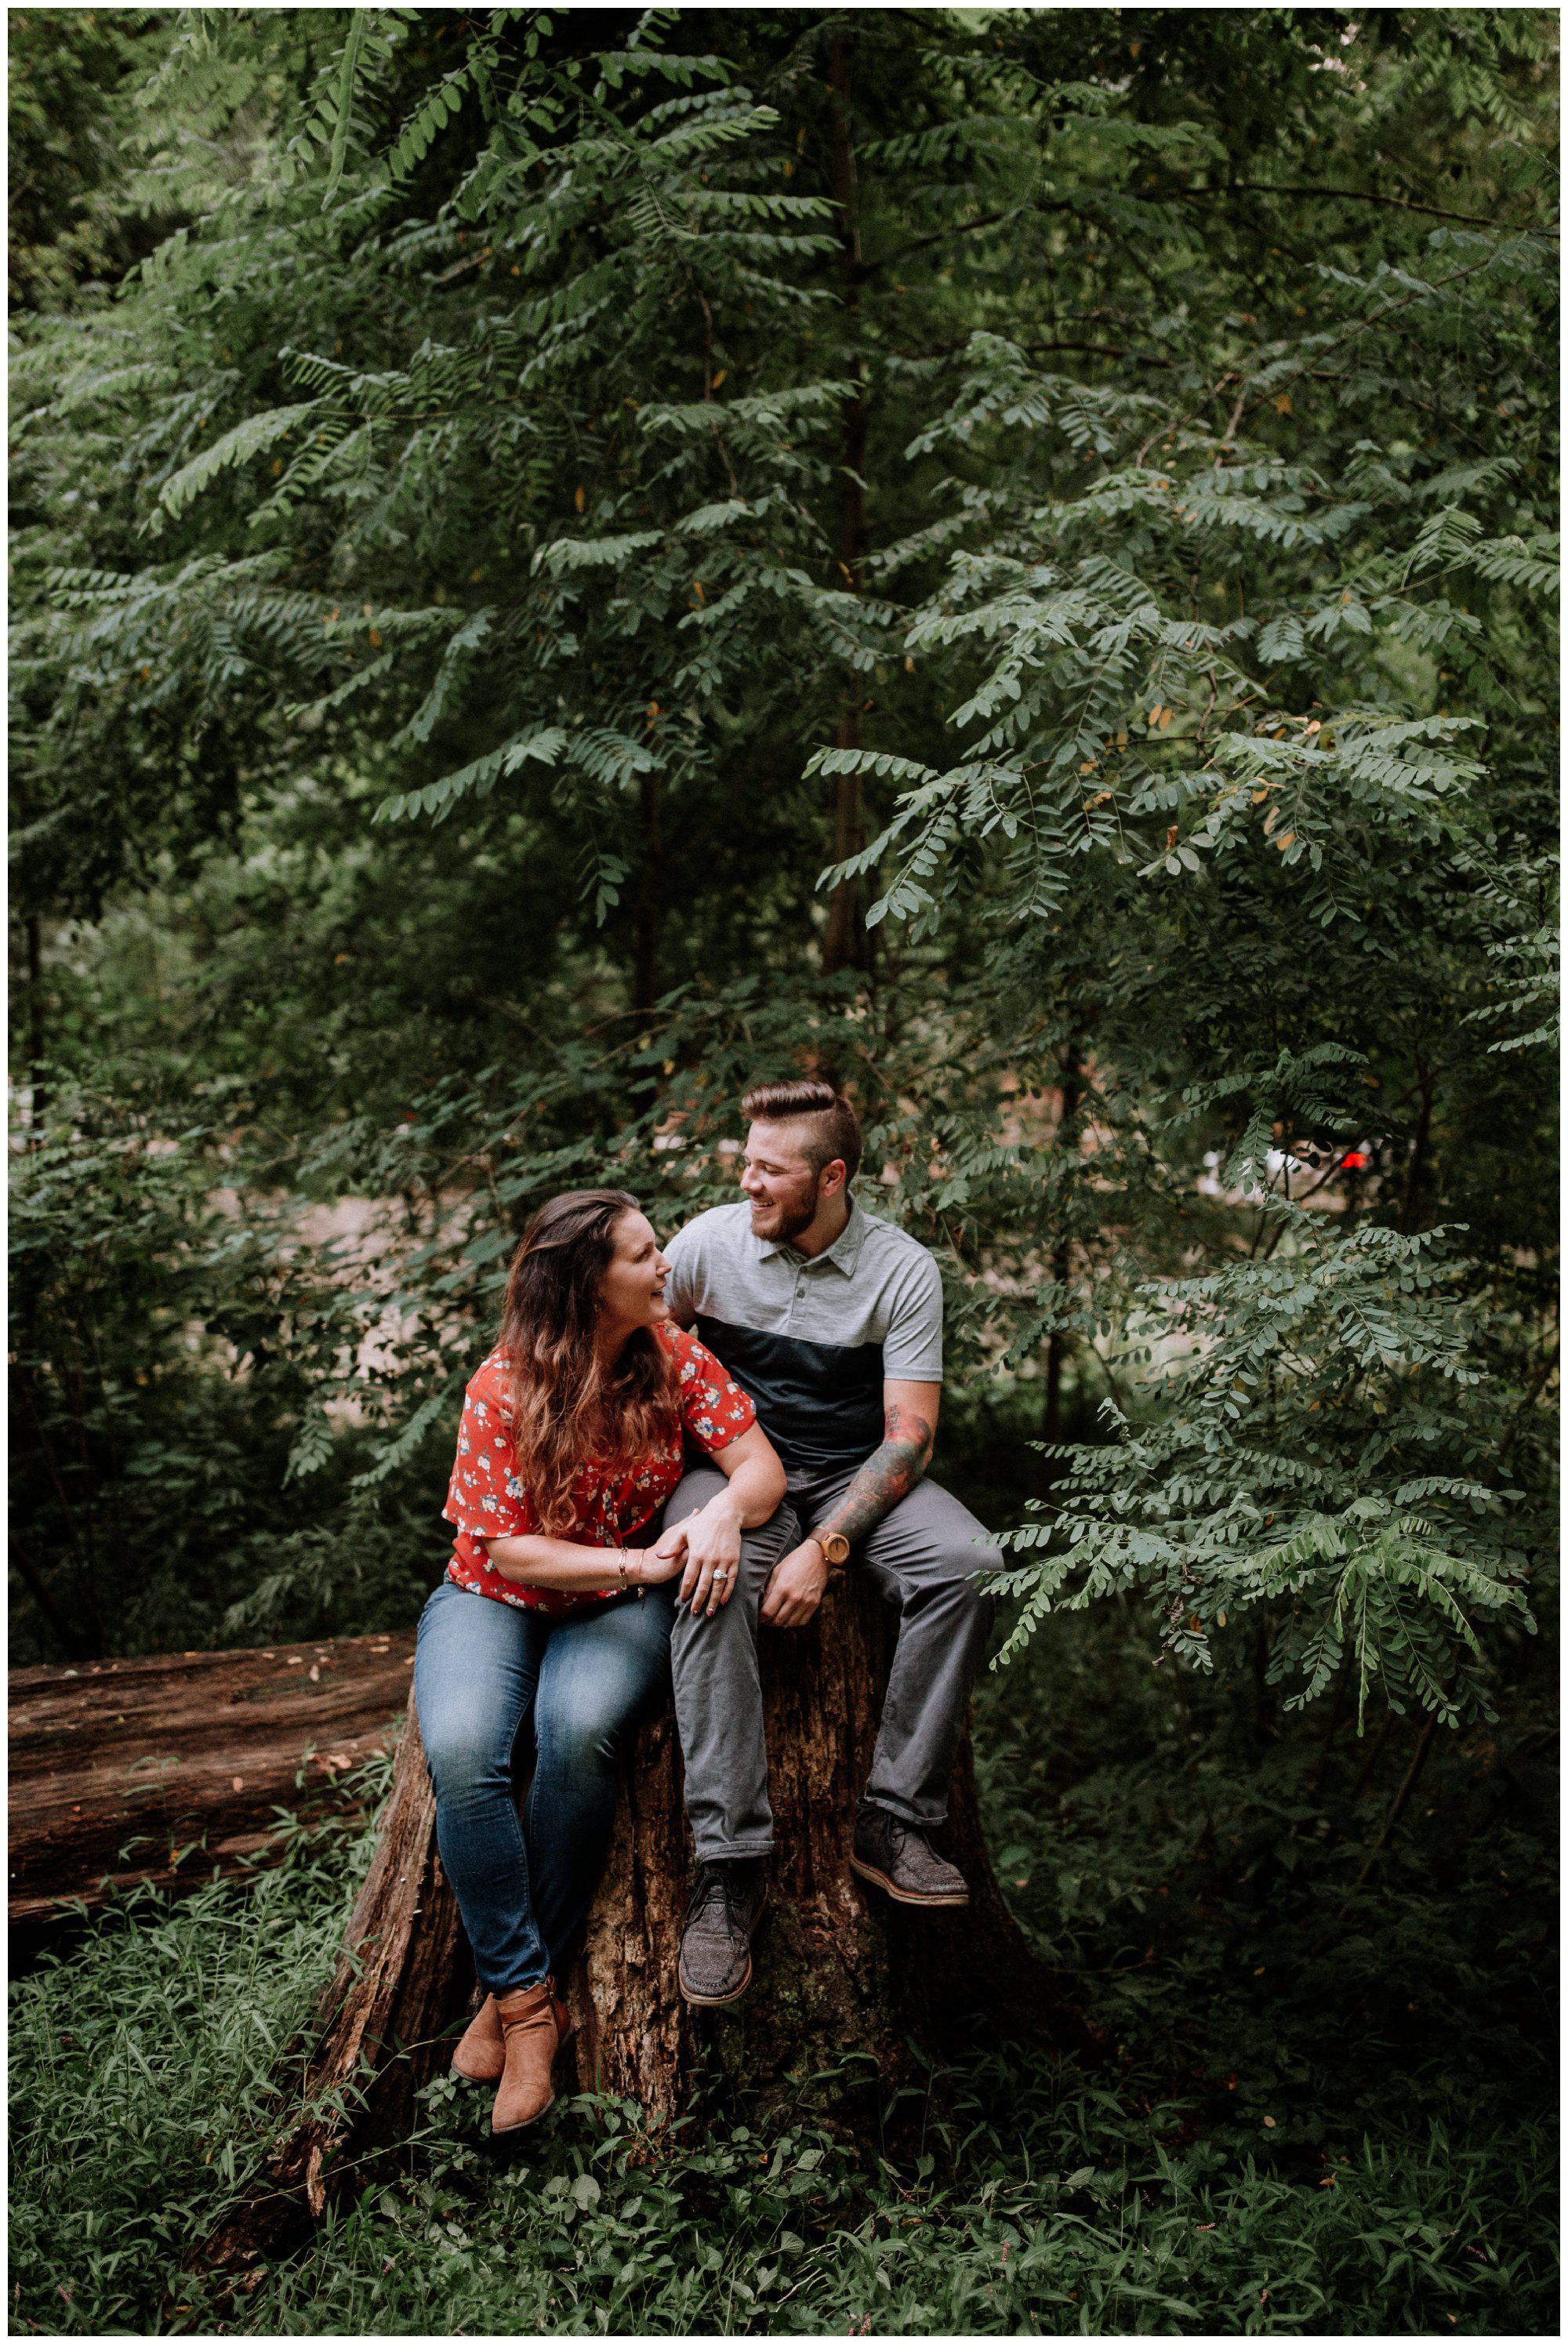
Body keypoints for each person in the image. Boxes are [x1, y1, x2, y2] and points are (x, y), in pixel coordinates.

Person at [414, 1188, 785, 2134]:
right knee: (462, 1750)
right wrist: (637, 1558)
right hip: (496, 1597)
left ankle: (502, 1999)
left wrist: (716, 1513)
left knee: (576, 1732)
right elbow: (507, 1550)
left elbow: (759, 1466)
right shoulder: (503, 1384)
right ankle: (530, 2005)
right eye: (644, 1254)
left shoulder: (671, 1355)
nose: (666, 1266)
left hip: (616, 1605)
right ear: (588, 1281)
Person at [658, 1079, 1000, 2008]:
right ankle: (729, 1864)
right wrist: (712, 1497)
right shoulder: (705, 1245)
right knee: (703, 1576)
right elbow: (647, 1357)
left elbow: (909, 1434)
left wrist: (828, 1547)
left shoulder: (901, 1269)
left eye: (769, 1170)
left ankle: (892, 1818)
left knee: (970, 1564)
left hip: (855, 1473)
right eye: (746, 1163)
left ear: (832, 1176)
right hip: (738, 1469)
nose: (748, 1182)